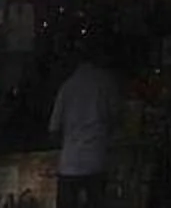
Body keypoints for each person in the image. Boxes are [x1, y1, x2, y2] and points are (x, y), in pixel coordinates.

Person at [51, 39, 123, 208]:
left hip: (70, 164)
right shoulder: (105, 82)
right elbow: (117, 117)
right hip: (96, 160)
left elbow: (54, 129)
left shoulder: (67, 87)